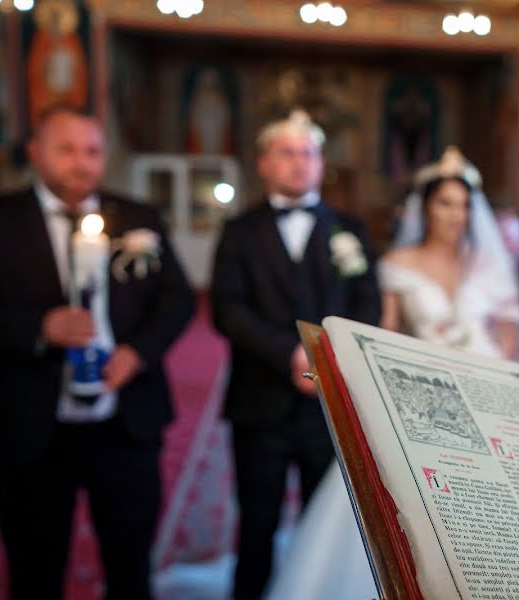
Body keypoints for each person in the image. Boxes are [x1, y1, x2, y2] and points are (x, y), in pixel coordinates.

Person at [0, 104, 195, 599]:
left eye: (93, 151)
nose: (82, 162)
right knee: (35, 566)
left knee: (130, 562)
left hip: (126, 423)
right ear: (35, 151)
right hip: (33, 424)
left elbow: (178, 299)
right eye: (67, 149)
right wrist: (39, 326)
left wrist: (138, 353)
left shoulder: (138, 217)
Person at [210, 110, 381, 600]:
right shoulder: (240, 231)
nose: (299, 163)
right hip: (259, 400)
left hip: (328, 402)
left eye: (308, 153)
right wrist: (287, 354)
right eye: (287, 153)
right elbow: (228, 310)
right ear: (263, 163)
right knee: (257, 522)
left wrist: (325, 358)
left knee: (323, 523)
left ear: (321, 164)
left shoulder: (349, 228)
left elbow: (366, 302)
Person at [379, 146, 519, 359]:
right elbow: (387, 330)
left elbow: (508, 337)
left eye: (464, 206)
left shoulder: (488, 264)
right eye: (445, 204)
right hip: (423, 371)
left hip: (485, 367)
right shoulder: (397, 263)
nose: (457, 215)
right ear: (425, 208)